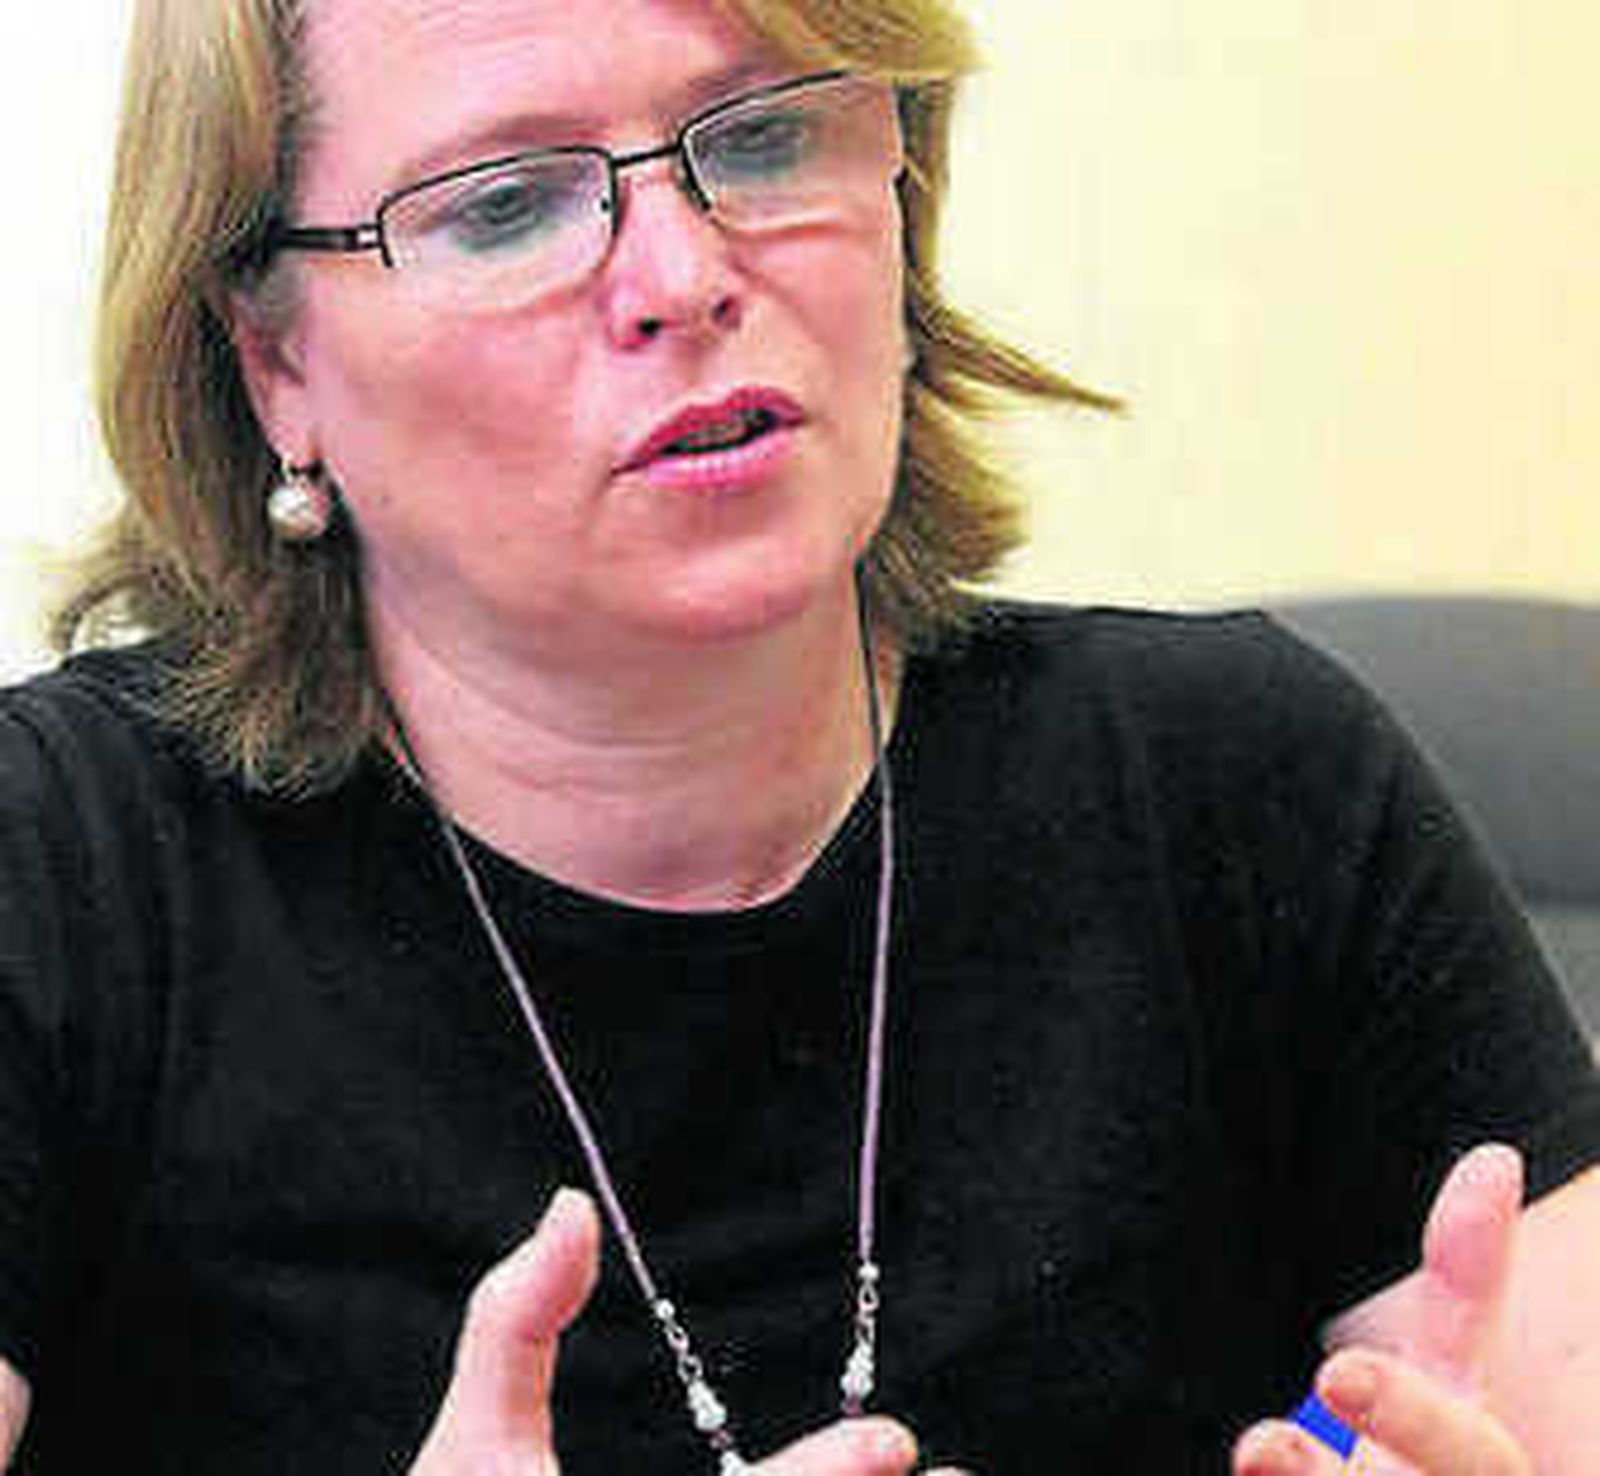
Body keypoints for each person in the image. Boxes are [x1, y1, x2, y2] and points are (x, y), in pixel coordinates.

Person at [0, 0, 1596, 1471]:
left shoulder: (1246, 788)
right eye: (503, 203)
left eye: (764, 138)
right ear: (275, 360)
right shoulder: (58, 877)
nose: (683, 274)